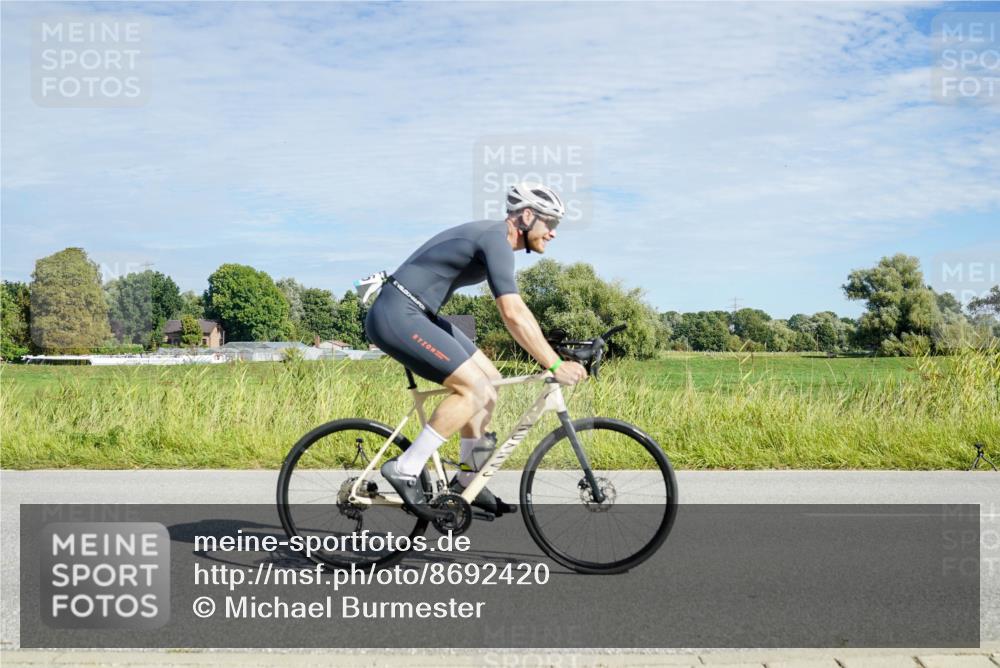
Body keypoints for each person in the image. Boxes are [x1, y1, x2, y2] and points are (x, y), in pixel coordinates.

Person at [364, 182, 588, 517]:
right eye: (550, 223)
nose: (554, 233)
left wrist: (550, 351)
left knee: (490, 383)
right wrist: (554, 365)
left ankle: (467, 480)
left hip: (417, 312)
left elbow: (519, 312)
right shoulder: (495, 239)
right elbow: (512, 313)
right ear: (527, 216)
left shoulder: (496, 240)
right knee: (473, 388)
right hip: (398, 314)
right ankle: (406, 467)